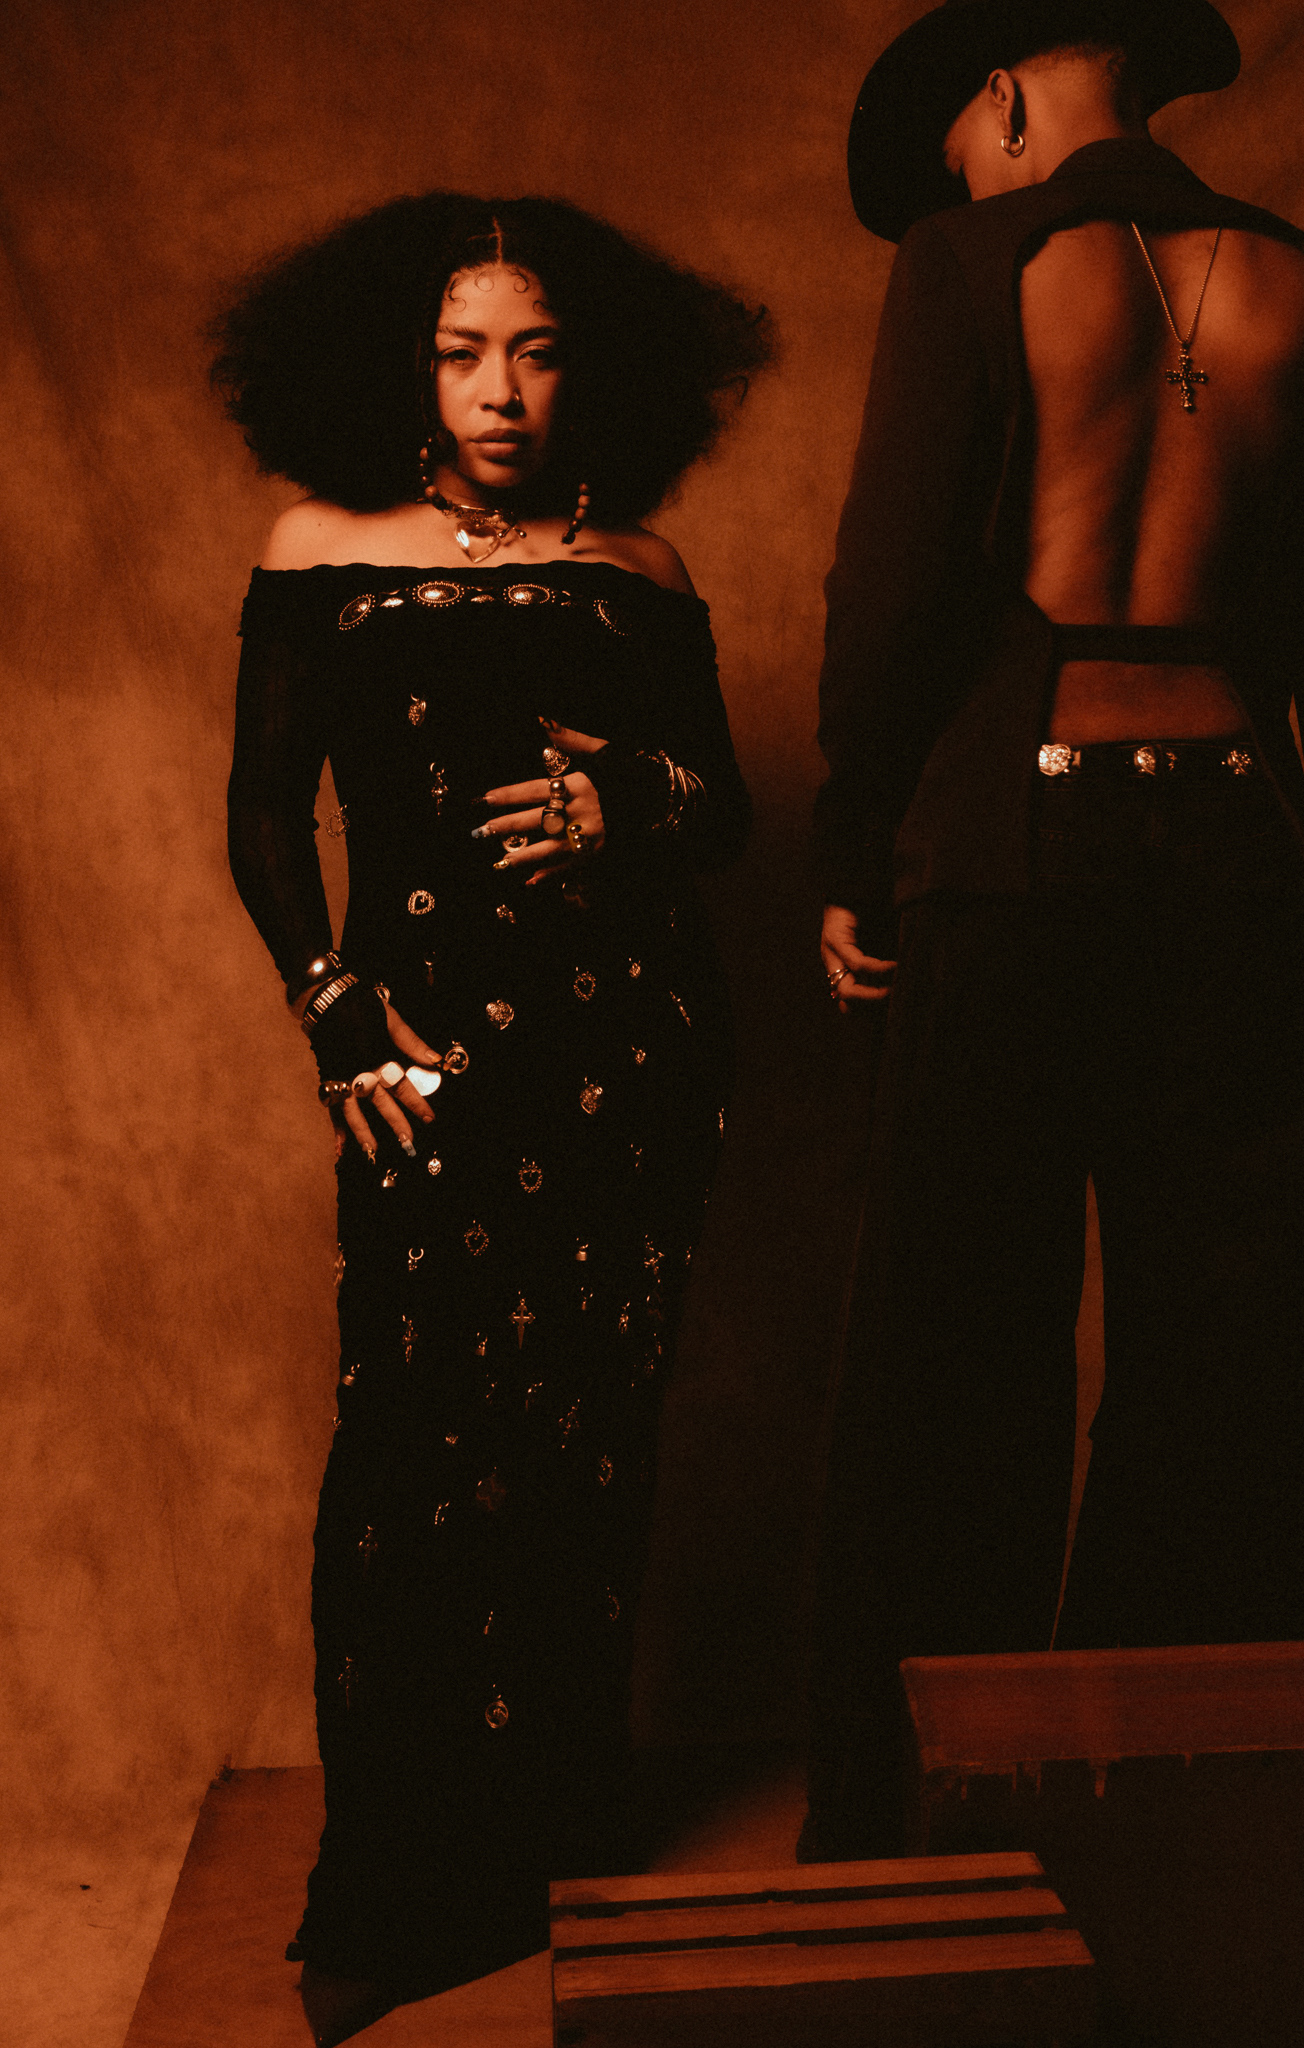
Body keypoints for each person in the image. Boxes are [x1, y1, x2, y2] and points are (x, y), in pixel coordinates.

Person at [806, 0, 1304, 1859]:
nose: (967, 179)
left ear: (1004, 98)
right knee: (1230, 1345)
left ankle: (923, 1830)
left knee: (956, 1340)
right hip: (1242, 862)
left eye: (963, 150)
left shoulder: (968, 264)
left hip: (1012, 862)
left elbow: (891, 593)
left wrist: (857, 845)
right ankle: (1213, 1831)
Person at [216, 192, 770, 2033]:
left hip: (630, 1053)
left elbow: (720, 809)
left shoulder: (643, 566)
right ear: (403, 367)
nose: (501, 391)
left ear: (588, 367)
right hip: (426, 1063)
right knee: (411, 1449)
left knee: (584, 1448)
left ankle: (554, 1839)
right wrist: (334, 1016)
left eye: (534, 351)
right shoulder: (320, 549)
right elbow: (264, 815)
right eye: (462, 354)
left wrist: (632, 802)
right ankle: (397, 1884)